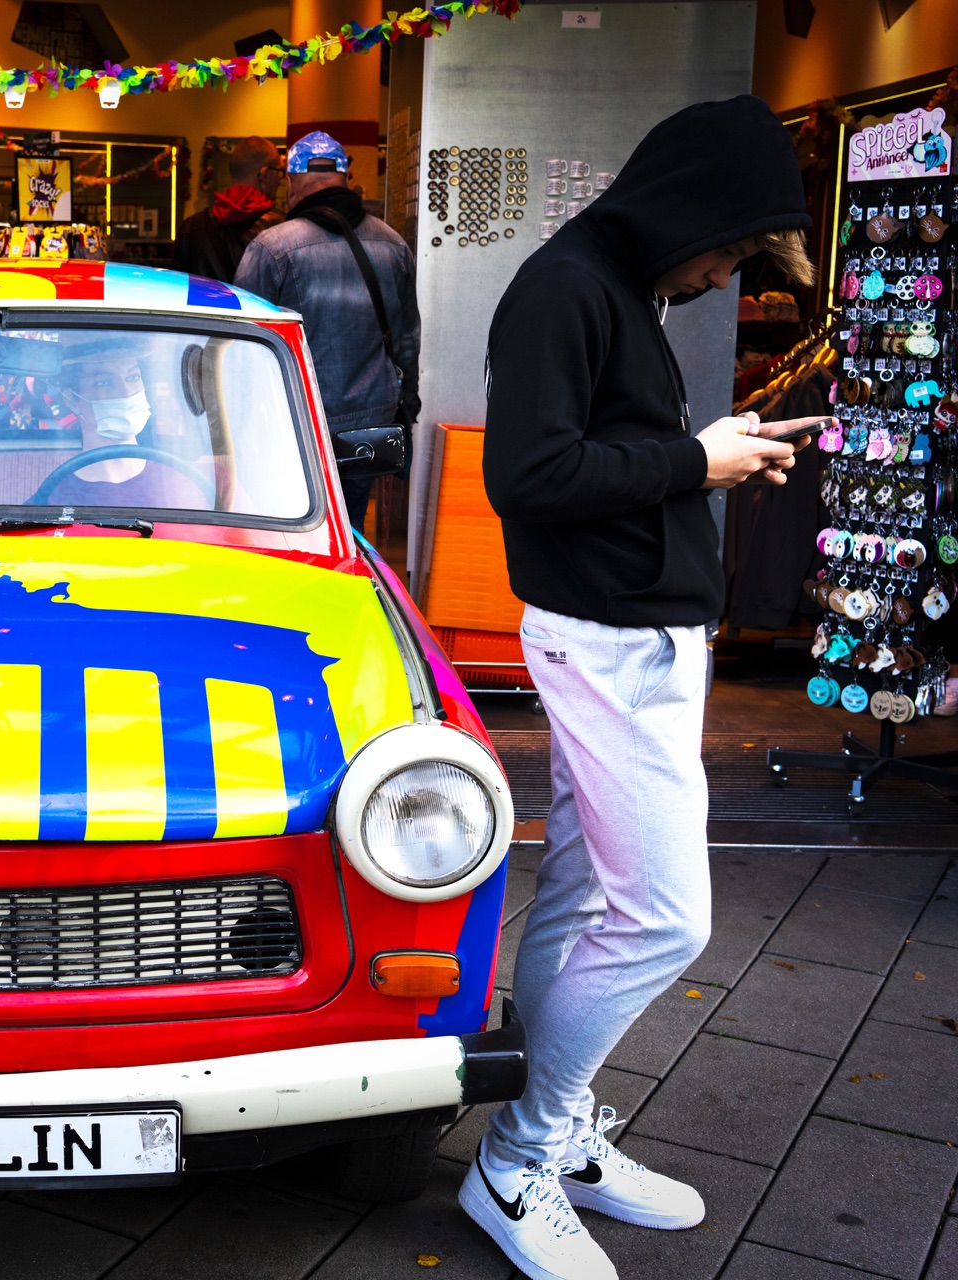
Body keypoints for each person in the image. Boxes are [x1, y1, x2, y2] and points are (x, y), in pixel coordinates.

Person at [467, 96, 818, 1280]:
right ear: (694, 212)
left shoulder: (606, 285)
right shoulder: (569, 287)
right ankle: (517, 1156)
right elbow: (526, 472)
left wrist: (709, 449)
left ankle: (551, 1134)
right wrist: (697, 457)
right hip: (609, 640)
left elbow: (584, 455)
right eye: (732, 247)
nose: (728, 273)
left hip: (627, 634)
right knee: (666, 914)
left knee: (579, 892)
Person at [234, 130, 419, 532]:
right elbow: (407, 339)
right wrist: (409, 404)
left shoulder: (270, 247)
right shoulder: (393, 244)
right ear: (345, 179)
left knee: (290, 529)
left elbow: (242, 346)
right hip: (373, 417)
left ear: (289, 183)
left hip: (294, 421)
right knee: (349, 530)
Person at [43, 341, 207, 511]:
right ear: (71, 400)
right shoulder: (51, 502)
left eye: (133, 377)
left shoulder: (180, 486)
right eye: (103, 383)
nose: (126, 392)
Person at [171, 136, 283, 283]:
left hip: (204, 306)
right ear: (265, 174)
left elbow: (177, 287)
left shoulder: (190, 227)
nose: (280, 179)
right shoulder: (283, 227)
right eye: (279, 171)